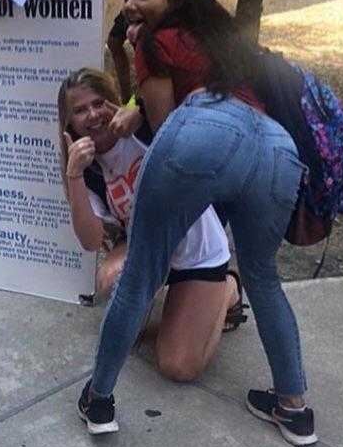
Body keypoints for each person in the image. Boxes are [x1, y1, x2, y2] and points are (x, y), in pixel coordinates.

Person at [77, 0, 317, 447]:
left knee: (141, 273)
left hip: (204, 130)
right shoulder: (218, 39)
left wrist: (135, 108)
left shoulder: (152, 41)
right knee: (264, 276)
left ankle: (98, 400)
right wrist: (133, 107)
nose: (130, 4)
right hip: (274, 145)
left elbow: (169, 129)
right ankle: (294, 409)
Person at [59, 69, 246, 386]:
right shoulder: (88, 170)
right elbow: (91, 241)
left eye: (98, 103)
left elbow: (196, 99)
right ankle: (177, 298)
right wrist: (74, 175)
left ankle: (227, 288)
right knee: (109, 280)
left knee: (177, 366)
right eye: (80, 110)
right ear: (70, 124)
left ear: (112, 103)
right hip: (149, 249)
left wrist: (142, 110)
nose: (93, 115)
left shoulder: (143, 129)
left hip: (196, 252)